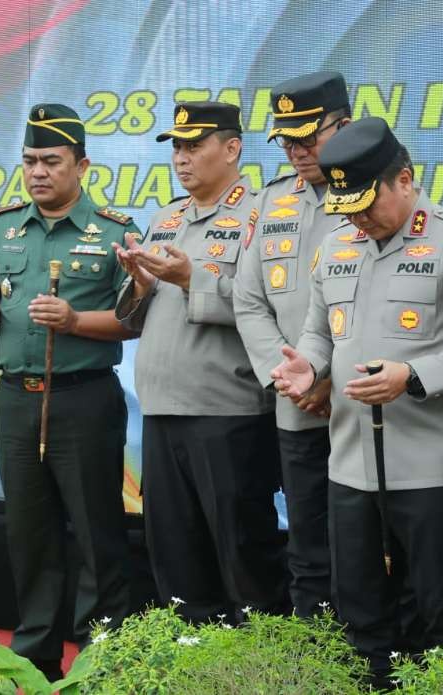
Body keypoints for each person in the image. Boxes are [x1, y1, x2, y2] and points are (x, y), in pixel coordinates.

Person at [271, 117, 443, 683]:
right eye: (345, 205)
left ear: (404, 180)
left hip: (432, 471)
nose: (356, 217)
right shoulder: (337, 245)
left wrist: (414, 374)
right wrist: (309, 365)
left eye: (366, 202)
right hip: (350, 468)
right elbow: (318, 332)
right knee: (360, 621)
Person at [0, 104, 137, 681]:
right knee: (28, 533)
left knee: (96, 530)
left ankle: (97, 656)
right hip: (16, 398)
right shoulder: (4, 227)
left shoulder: (114, 232)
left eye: (51, 161)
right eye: (30, 161)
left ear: (81, 165)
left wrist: (74, 321)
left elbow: (133, 319)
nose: (38, 172)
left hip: (82, 398)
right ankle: (33, 655)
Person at [113, 101, 284, 623]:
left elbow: (274, 308)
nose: (182, 159)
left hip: (227, 414)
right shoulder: (167, 217)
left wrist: (192, 279)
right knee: (175, 558)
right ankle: (193, 662)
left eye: (195, 146)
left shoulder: (261, 216)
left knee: (242, 558)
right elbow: (136, 316)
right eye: (177, 148)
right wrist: (140, 284)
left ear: (232, 148)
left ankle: (255, 668)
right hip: (163, 413)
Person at [234, 71, 351, 617]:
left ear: (344, 125)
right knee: (307, 546)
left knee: (371, 544)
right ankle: (313, 656)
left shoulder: (378, 193)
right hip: (296, 404)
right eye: (287, 140)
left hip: (363, 402)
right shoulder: (271, 200)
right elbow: (248, 300)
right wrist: (288, 377)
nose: (297, 151)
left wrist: (329, 376)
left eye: (309, 136)